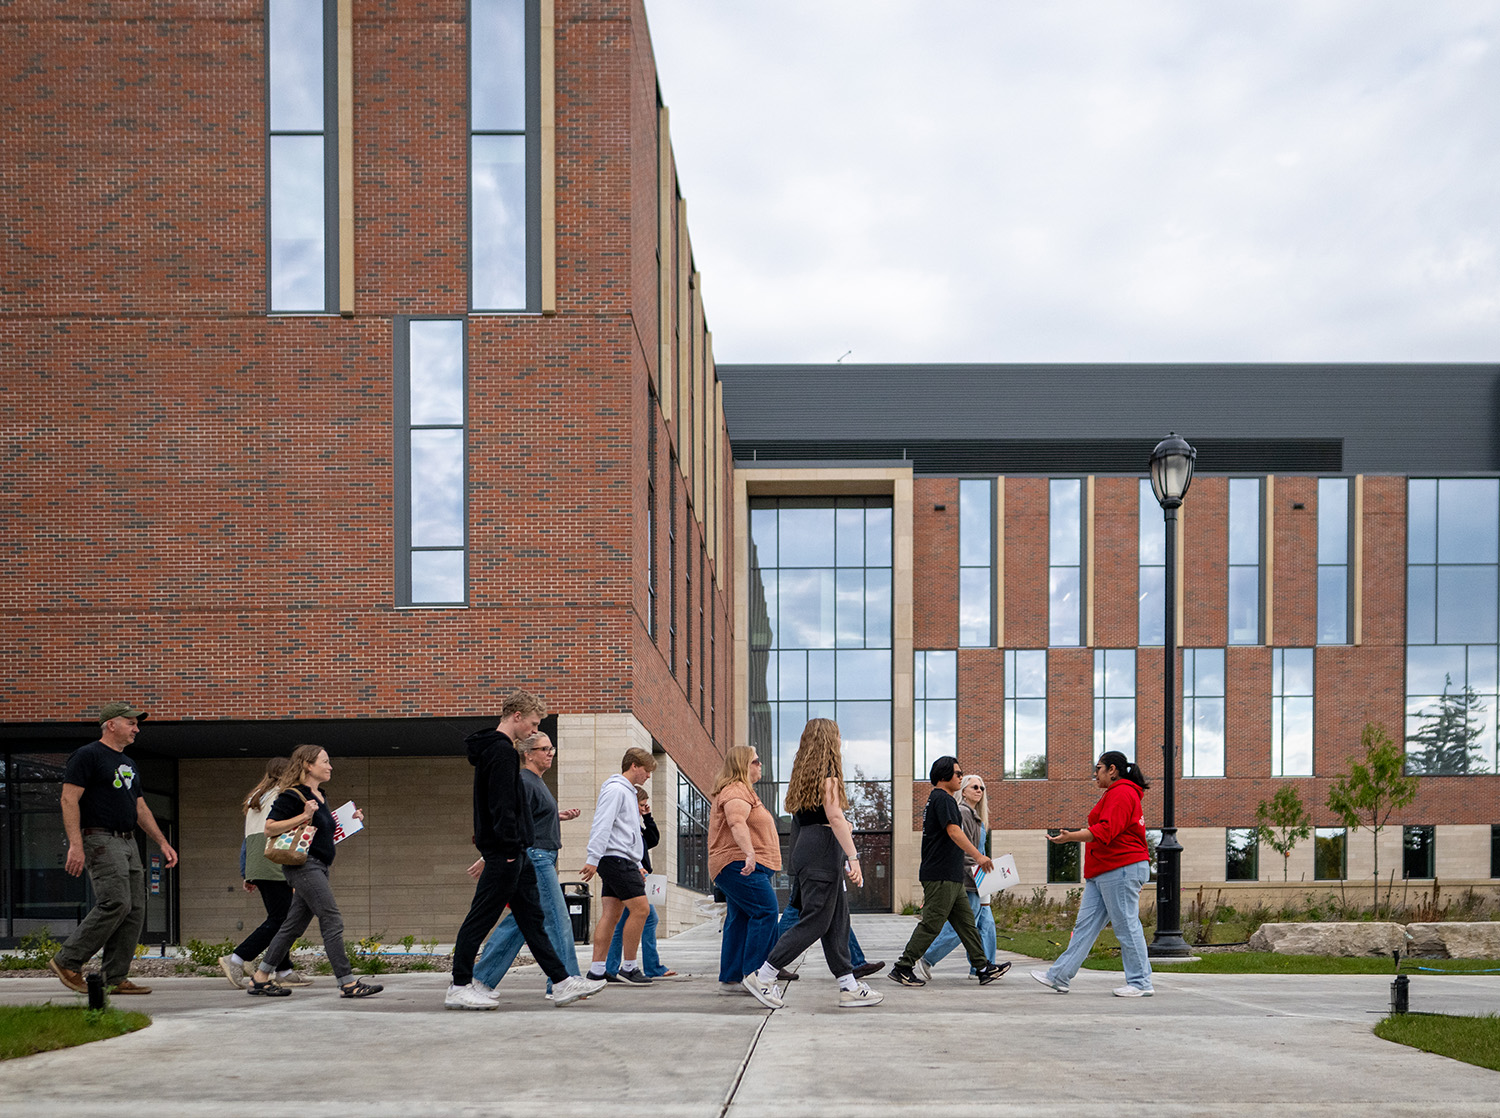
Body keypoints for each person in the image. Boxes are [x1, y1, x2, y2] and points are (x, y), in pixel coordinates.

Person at [447, 694, 605, 1009]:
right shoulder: (503, 752)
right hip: (507, 852)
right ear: (517, 716)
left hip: (515, 852)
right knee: (480, 918)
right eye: (533, 724)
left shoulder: (497, 751)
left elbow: (510, 807)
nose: (533, 732)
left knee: (532, 919)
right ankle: (461, 985)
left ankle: (561, 982)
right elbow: (500, 806)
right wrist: (507, 849)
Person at [747, 718, 883, 1009]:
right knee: (815, 921)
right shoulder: (830, 776)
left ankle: (848, 986)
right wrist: (853, 856)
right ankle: (764, 975)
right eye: (838, 735)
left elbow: (822, 820)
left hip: (812, 848)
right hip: (823, 850)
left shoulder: (804, 779)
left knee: (837, 921)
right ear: (830, 742)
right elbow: (834, 819)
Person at [48, 701, 178, 996]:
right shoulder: (87, 756)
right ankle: (67, 960)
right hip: (100, 838)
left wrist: (161, 841)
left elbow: (140, 806)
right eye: (131, 723)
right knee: (116, 901)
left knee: (135, 908)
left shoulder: (129, 763)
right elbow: (69, 800)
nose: (137, 729)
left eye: (136, 724)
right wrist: (76, 845)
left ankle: (115, 976)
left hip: (127, 840)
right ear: (111, 725)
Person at [246, 745, 379, 999]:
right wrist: (303, 815)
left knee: (292, 927)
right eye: (325, 761)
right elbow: (269, 828)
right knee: (332, 920)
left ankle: (260, 978)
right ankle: (347, 983)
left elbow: (324, 832)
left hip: (319, 867)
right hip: (304, 867)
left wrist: (350, 819)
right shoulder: (292, 796)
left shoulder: (321, 796)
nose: (330, 766)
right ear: (308, 765)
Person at [466, 731, 584, 999]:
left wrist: (557, 815)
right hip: (537, 857)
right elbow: (511, 821)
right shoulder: (524, 781)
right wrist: (488, 858)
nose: (550, 753)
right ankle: (567, 981)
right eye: (545, 749)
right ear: (528, 753)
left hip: (544, 856)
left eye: (552, 749)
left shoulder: (537, 782)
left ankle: (482, 979)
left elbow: (531, 818)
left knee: (520, 923)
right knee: (558, 919)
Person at [1032, 750, 1155, 997]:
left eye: (1098, 768)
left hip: (1121, 867)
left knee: (1126, 925)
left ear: (1112, 769)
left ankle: (1141, 982)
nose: (1094, 774)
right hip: (1103, 871)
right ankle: (1059, 976)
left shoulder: (1122, 792)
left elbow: (1106, 830)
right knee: (1084, 926)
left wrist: (1070, 837)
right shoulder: (1113, 794)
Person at [890, 756, 1009, 988]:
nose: (961, 777)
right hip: (940, 875)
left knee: (966, 924)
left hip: (952, 876)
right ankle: (903, 967)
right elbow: (954, 831)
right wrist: (979, 856)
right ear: (944, 776)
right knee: (931, 924)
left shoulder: (941, 799)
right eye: (958, 773)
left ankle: (983, 967)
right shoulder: (943, 799)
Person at [218, 757, 311, 989]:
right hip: (275, 859)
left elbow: (247, 840)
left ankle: (284, 969)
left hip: (258, 862)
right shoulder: (284, 796)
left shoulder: (256, 798)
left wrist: (247, 872)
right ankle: (237, 958)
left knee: (281, 915)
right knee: (282, 918)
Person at [581, 748, 657, 984]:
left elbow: (630, 833)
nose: (648, 776)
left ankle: (597, 971)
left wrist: (637, 863)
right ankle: (629, 967)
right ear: (634, 766)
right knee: (641, 910)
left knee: (612, 914)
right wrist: (593, 858)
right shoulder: (616, 790)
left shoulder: (627, 793)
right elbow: (602, 823)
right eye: (646, 770)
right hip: (615, 859)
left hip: (620, 859)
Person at [708, 746, 781, 992]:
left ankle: (731, 976)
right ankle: (755, 975)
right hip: (739, 863)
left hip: (741, 864)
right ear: (743, 765)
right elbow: (736, 822)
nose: (760, 765)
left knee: (739, 918)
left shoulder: (742, 791)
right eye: (756, 761)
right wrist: (750, 853)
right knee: (766, 911)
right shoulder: (736, 791)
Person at [916, 773, 996, 980]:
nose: (979, 791)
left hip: (980, 877)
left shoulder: (976, 816)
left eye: (982, 788)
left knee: (984, 923)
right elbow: (961, 849)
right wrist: (977, 867)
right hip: (969, 878)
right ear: (964, 792)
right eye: (974, 787)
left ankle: (982, 967)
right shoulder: (962, 812)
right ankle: (926, 958)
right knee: (962, 926)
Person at [605, 786, 678, 980]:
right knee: (648, 918)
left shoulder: (636, 824)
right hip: (629, 875)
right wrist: (636, 867)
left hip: (635, 875)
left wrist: (648, 816)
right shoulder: (625, 823)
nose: (643, 806)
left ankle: (610, 968)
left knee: (621, 923)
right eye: (641, 804)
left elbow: (652, 840)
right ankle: (650, 967)